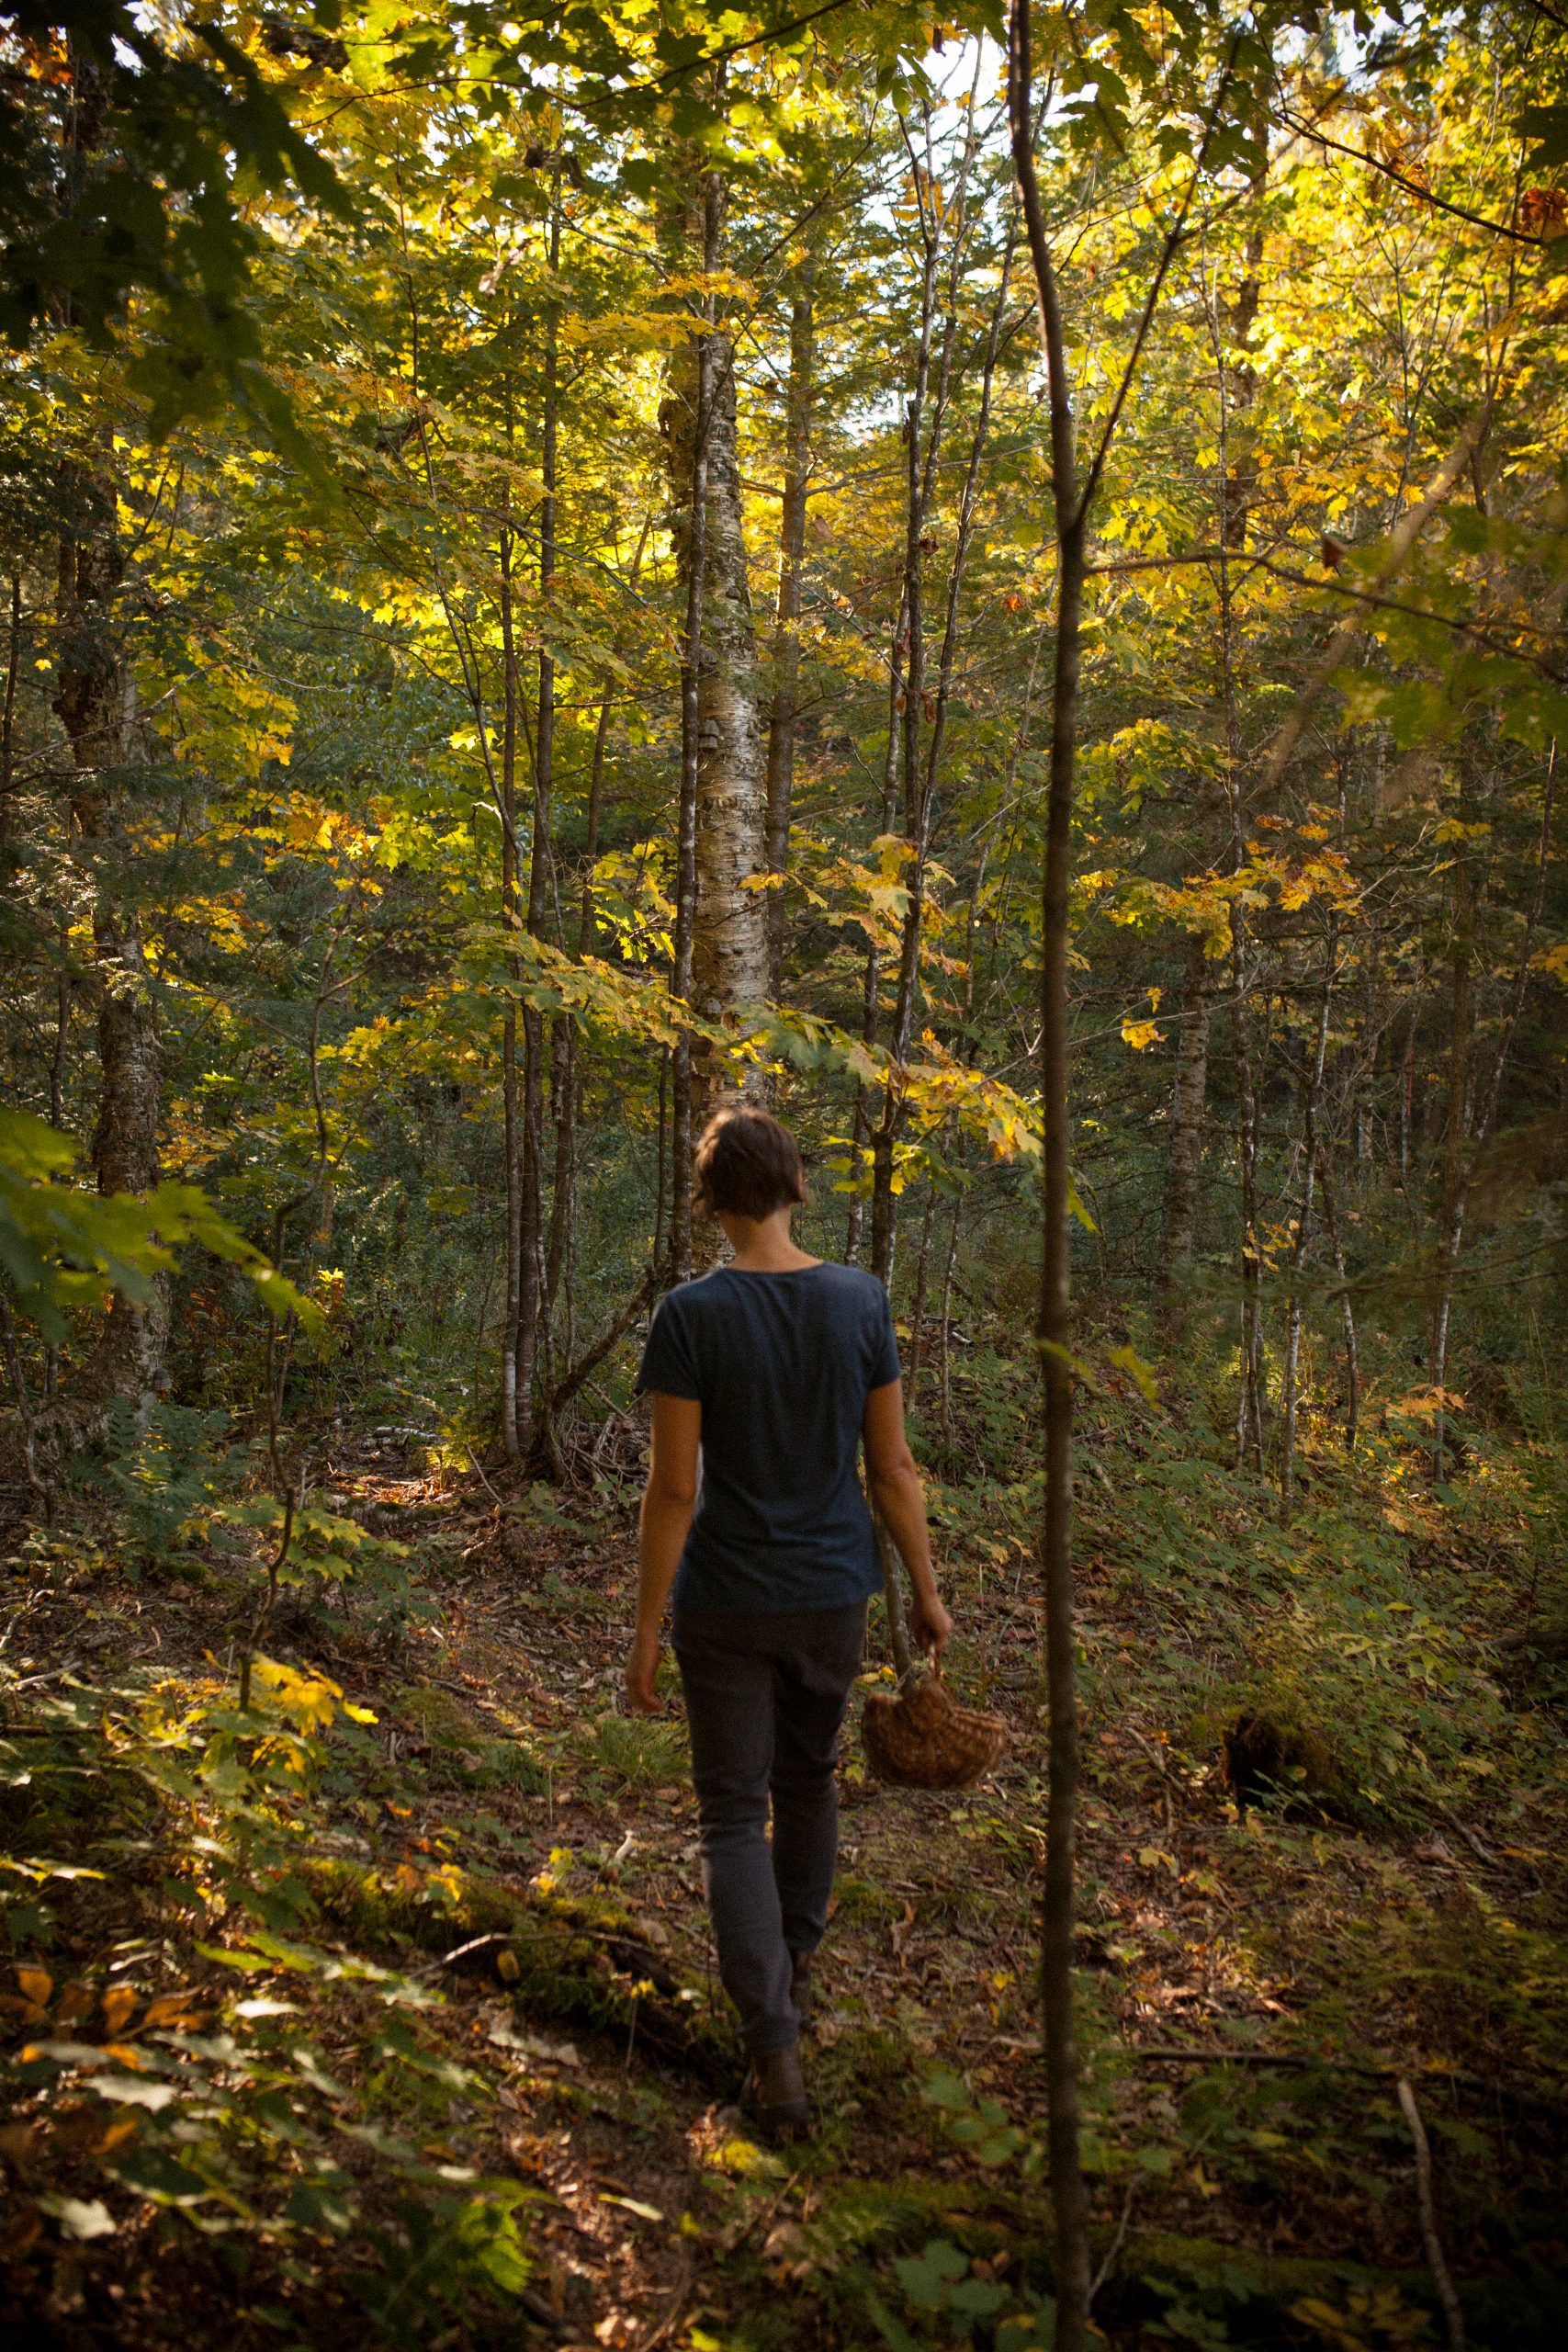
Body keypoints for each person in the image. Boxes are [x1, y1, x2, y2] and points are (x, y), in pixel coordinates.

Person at [626, 1106, 952, 2138]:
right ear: (795, 1187)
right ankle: (793, 1978)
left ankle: (771, 2049)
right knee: (807, 1782)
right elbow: (891, 1468)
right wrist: (928, 1591)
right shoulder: (859, 1299)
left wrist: (644, 1630)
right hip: (830, 1595)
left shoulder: (691, 1314)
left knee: (732, 1813)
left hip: (724, 1601)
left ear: (713, 1201)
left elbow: (673, 1492)